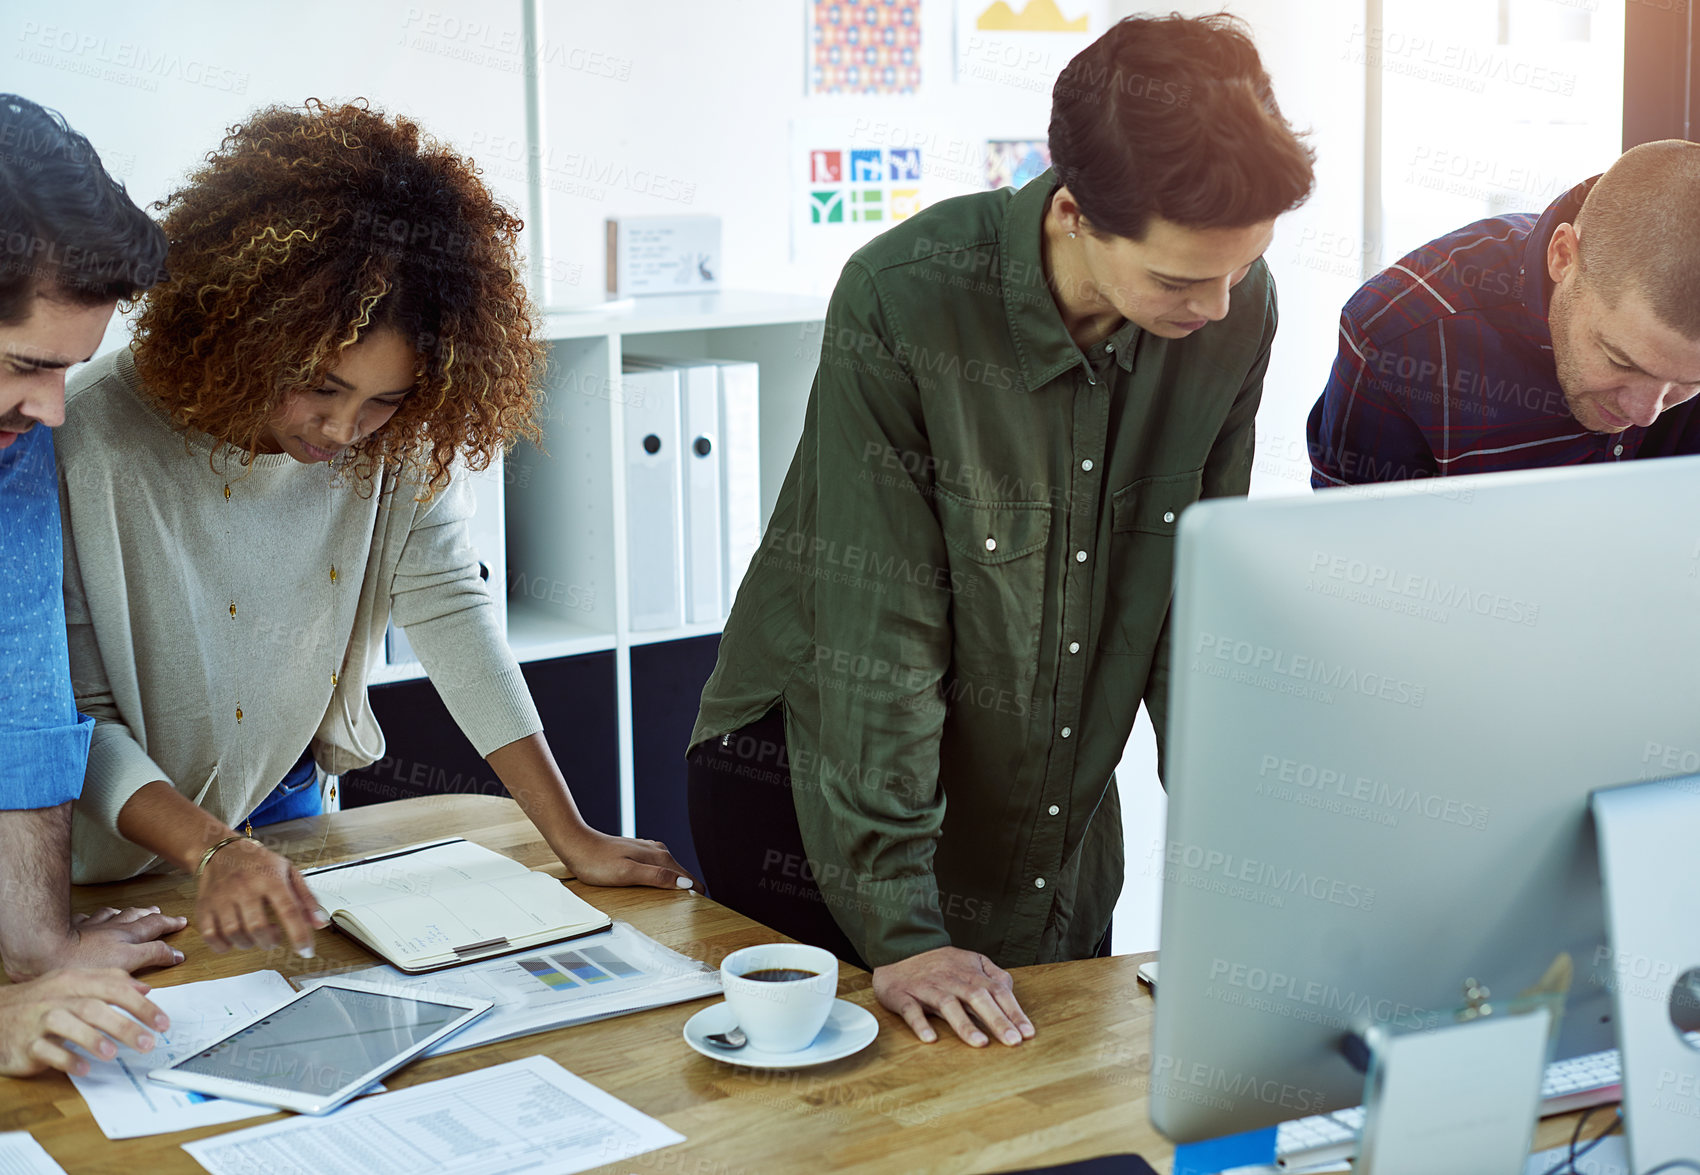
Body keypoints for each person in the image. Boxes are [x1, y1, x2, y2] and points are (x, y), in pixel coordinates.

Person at [687, 15, 1314, 1048]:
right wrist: (900, 924)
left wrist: (1244, 865)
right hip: (818, 794)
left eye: (1239, 269)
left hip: (1044, 809)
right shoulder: (905, 298)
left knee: (1049, 1129)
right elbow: (873, 631)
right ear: (1074, 212)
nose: (1214, 305)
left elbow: (1196, 594)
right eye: (1175, 279)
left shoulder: (1229, 316)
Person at [57, 100, 693, 962]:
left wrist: (569, 834)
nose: (344, 429)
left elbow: (451, 610)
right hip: (104, 856)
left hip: (281, 808)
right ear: (245, 329)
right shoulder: (82, 438)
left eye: (384, 398)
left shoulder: (397, 441)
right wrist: (213, 848)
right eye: (318, 386)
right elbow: (75, 719)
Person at [0, 93, 182, 1075]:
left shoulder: (12, 437)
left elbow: (19, 689)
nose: (55, 410)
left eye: (72, 371)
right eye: (29, 364)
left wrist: (40, 958)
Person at [1307, 139, 1700, 487]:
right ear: (1563, 258)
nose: (1645, 414)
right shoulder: (1400, 334)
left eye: (1688, 382)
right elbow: (1352, 547)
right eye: (1619, 360)